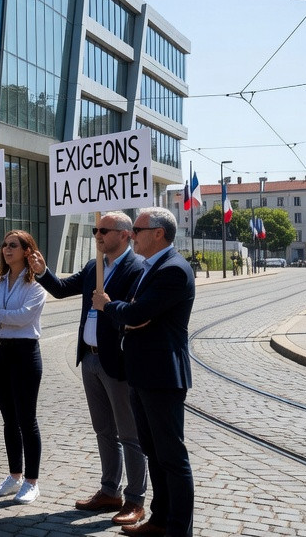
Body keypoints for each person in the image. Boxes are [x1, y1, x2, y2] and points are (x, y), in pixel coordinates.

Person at [32, 212, 147, 526]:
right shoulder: (93, 266)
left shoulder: (137, 268)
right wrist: (43, 272)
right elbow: (60, 288)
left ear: (124, 235)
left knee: (130, 434)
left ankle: (135, 499)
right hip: (91, 358)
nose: (98, 234)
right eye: (96, 229)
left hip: (118, 360)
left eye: (104, 230)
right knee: (103, 430)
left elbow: (138, 313)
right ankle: (109, 490)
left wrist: (108, 304)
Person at [93, 207, 196, 537]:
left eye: (137, 229)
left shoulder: (173, 270)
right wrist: (128, 314)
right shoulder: (151, 268)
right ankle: (159, 520)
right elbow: (136, 316)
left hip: (162, 374)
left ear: (159, 234)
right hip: (142, 372)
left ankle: (178, 530)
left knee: (172, 457)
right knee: (154, 452)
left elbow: (137, 312)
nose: (132, 235)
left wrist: (108, 305)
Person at [0, 230, 47, 505]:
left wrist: (1, 317)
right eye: (5, 245)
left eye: (14, 245)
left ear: (26, 251)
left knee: (26, 419)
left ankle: (32, 481)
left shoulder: (36, 285)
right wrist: (2, 319)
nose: (7, 250)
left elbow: (25, 318)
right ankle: (14, 475)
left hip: (24, 353)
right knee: (9, 418)